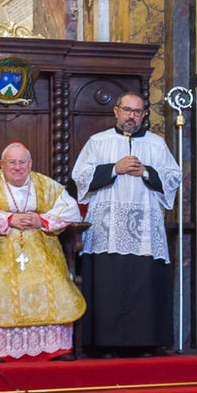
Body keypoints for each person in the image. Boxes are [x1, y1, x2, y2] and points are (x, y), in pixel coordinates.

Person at [70, 93, 180, 354]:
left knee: (145, 283)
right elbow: (80, 176)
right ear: (116, 111)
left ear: (143, 115)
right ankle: (102, 344)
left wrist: (145, 171)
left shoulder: (156, 144)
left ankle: (147, 342)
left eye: (138, 112)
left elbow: (173, 177)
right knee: (107, 284)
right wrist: (113, 169)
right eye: (127, 110)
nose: (132, 116)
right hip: (106, 228)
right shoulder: (98, 142)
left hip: (145, 229)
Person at [0, 142, 85, 359]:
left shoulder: (46, 184)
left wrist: (41, 220)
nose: (17, 167)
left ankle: (56, 347)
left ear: (30, 164)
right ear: (2, 164)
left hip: (42, 248)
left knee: (57, 282)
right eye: (12, 162)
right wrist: (9, 219)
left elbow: (72, 211)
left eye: (22, 162)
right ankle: (3, 350)